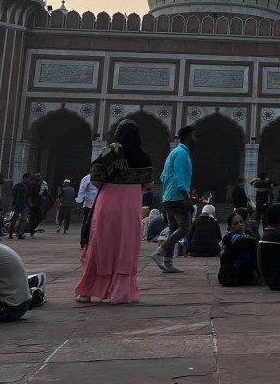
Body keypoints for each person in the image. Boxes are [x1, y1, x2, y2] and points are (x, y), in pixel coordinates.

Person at [74, 119, 154, 304]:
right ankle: (120, 293)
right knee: (125, 246)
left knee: (100, 244)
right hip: (131, 206)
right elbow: (148, 184)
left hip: (107, 203)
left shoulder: (109, 153)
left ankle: (87, 292)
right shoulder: (143, 156)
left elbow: (95, 180)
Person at [152, 125, 196, 273]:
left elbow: (163, 176)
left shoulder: (174, 153)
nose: (195, 139)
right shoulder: (182, 154)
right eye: (194, 136)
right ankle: (159, 253)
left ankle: (168, 263)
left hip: (168, 197)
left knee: (173, 229)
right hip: (178, 197)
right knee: (185, 228)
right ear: (188, 136)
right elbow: (179, 178)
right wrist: (187, 198)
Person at [218, 211, 259, 286]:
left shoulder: (242, 235)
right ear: (230, 227)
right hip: (230, 276)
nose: (240, 224)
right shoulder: (232, 238)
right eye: (236, 223)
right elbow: (254, 242)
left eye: (241, 221)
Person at [76, 172, 99, 249]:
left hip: (99, 204)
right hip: (89, 205)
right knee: (86, 223)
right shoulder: (87, 178)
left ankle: (95, 242)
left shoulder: (102, 177)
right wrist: (79, 205)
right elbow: (81, 192)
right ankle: (83, 241)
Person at [9, 172, 31, 240]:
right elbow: (13, 196)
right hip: (17, 204)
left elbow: (28, 196)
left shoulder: (27, 187)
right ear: (24, 178)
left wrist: (29, 203)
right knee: (14, 219)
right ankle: (11, 233)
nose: (29, 180)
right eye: (28, 178)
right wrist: (11, 205)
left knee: (24, 219)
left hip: (24, 205)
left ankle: (20, 233)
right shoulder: (17, 186)